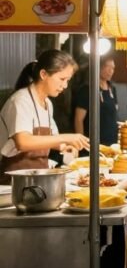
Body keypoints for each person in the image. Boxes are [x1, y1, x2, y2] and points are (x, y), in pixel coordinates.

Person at [1, 50, 88, 180]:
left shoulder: (47, 103)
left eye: (68, 80)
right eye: (62, 79)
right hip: (15, 180)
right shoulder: (20, 101)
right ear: (43, 74)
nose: (65, 85)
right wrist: (66, 137)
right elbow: (23, 142)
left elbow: (48, 139)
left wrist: (64, 146)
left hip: (39, 177)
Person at [72, 54, 118, 146]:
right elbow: (78, 119)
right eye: (107, 67)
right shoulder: (87, 89)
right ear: (98, 67)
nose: (110, 71)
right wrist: (82, 144)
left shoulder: (112, 89)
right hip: (93, 144)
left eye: (113, 68)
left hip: (112, 142)